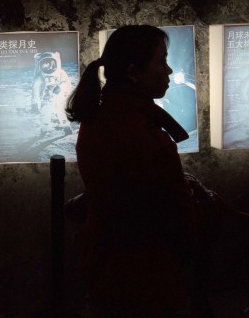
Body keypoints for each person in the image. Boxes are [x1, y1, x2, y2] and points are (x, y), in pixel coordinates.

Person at [66, 25, 194, 318]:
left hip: (111, 270)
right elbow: (160, 208)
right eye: (161, 60)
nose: (169, 70)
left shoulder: (108, 116)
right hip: (141, 280)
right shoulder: (134, 129)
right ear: (134, 72)